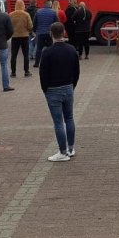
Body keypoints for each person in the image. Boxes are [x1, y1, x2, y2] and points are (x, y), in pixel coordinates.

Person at [39, 22, 80, 162]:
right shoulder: (71, 49)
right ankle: (71, 148)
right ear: (64, 33)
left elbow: (43, 73)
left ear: (51, 34)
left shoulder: (47, 52)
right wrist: (72, 85)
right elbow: (76, 71)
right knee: (69, 118)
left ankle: (62, 152)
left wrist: (45, 89)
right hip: (68, 87)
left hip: (53, 89)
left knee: (58, 121)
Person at [10, 0, 33, 79]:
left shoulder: (11, 14)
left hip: (15, 37)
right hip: (24, 36)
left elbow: (9, 26)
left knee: (14, 55)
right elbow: (30, 26)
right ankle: (26, 71)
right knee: (25, 55)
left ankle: (13, 72)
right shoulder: (26, 14)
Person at [33, 0, 58, 68]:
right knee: (50, 48)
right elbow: (57, 23)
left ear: (44, 4)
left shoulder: (38, 12)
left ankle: (37, 63)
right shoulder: (53, 12)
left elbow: (35, 23)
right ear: (50, 5)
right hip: (50, 33)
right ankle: (51, 62)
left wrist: (34, 31)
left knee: (39, 48)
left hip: (40, 33)